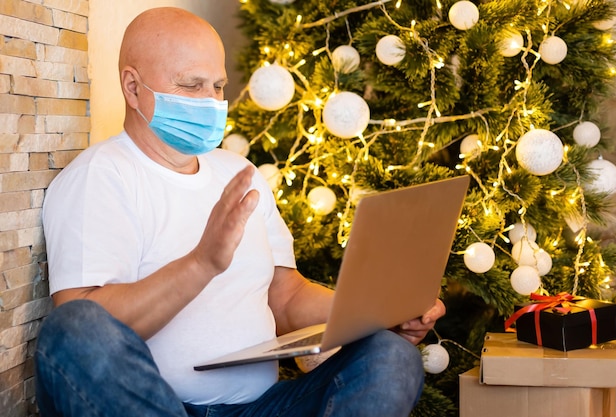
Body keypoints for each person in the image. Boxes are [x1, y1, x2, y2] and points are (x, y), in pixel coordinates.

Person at [34, 7, 446, 417]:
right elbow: (85, 329)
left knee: (390, 355)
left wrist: (383, 309)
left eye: (217, 86)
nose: (212, 102)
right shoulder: (99, 177)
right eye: (192, 85)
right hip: (166, 408)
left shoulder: (239, 173)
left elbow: (286, 299)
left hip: (264, 409)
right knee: (74, 330)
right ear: (132, 86)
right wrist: (201, 264)